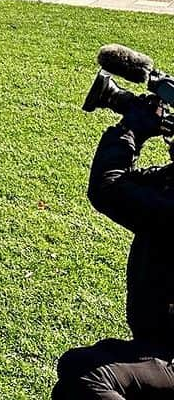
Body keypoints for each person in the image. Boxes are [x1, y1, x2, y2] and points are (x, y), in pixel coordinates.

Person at [52, 97, 174, 398]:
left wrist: (131, 129)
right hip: (159, 344)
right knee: (73, 378)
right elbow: (123, 182)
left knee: (89, 376)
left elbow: (108, 189)